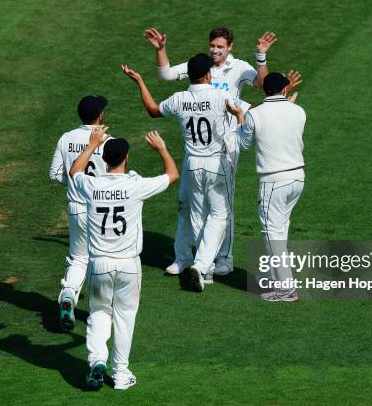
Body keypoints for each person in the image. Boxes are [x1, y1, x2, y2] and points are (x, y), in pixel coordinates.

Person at [143, 26, 279, 276]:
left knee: (221, 207)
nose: (215, 50)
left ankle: (223, 258)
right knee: (187, 204)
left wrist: (261, 57)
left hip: (225, 147)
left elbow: (260, 84)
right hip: (194, 151)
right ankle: (185, 257)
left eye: (220, 47)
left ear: (230, 48)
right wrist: (161, 49)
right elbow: (166, 74)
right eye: (212, 46)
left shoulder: (239, 68)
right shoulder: (200, 64)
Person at [121, 53, 243, 291]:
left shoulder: (179, 99)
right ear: (208, 74)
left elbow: (153, 110)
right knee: (219, 215)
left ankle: (200, 267)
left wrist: (140, 82)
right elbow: (241, 113)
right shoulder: (220, 95)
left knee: (197, 216)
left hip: (192, 164)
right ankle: (202, 265)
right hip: (217, 164)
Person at [69, 126, 178, 390]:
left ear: (104, 159)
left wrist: (92, 144)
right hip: (129, 264)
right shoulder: (135, 185)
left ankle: (97, 360)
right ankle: (120, 375)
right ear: (126, 158)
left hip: (99, 264)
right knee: (125, 317)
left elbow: (75, 172)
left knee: (98, 313)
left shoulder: (92, 185)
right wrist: (162, 148)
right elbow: (172, 175)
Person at [234, 72, 306, 302]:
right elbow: (283, 125)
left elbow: (243, 143)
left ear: (265, 90)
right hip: (297, 178)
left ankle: (286, 289)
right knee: (281, 230)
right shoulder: (299, 111)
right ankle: (276, 279)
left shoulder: (255, 114)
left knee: (272, 233)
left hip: (274, 181)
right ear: (285, 90)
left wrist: (239, 117)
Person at [49, 95, 111, 331]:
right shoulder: (107, 141)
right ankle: (101, 310)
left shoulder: (66, 138)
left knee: (78, 258)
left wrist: (75, 184)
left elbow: (55, 174)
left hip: (76, 207)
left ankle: (68, 294)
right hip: (101, 207)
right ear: (100, 116)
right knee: (103, 258)